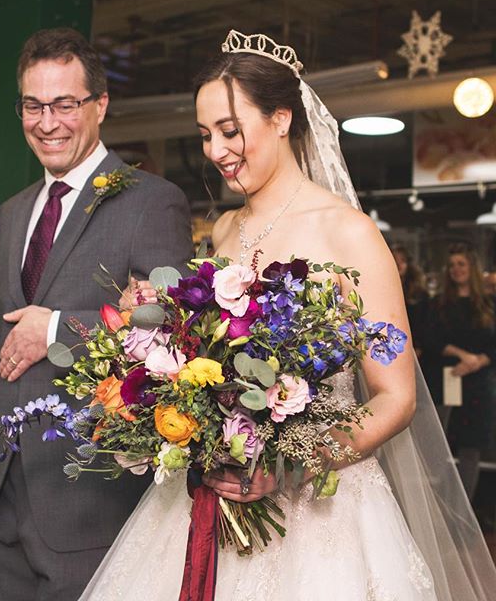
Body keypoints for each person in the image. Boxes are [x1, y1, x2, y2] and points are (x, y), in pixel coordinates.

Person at [80, 31, 496, 600]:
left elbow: (396, 397)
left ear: (281, 118)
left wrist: (295, 464)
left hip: (324, 511)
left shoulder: (349, 233)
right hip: (212, 497)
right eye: (205, 136)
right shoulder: (224, 230)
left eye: (229, 131)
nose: (215, 151)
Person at [0, 27, 192, 601]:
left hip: (86, 504)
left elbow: (169, 328)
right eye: (33, 105)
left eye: (65, 104)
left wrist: (55, 327)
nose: (47, 122)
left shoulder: (151, 201)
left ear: (100, 105)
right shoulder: (10, 213)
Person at [422, 243, 496, 499]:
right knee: (440, 445)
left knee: (471, 448)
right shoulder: (438, 304)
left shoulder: (488, 303)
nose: (456, 269)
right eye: (452, 265)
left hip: (478, 385)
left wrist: (480, 360)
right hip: (448, 381)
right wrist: (460, 355)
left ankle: (467, 514)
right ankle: (442, 507)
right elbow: (429, 340)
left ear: (472, 267)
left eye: (461, 264)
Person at [391, 242, 429, 358]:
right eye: (394, 260)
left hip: (415, 350)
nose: (398, 264)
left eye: (402, 260)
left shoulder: (419, 294)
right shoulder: (380, 291)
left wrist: (418, 348)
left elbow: (424, 325)